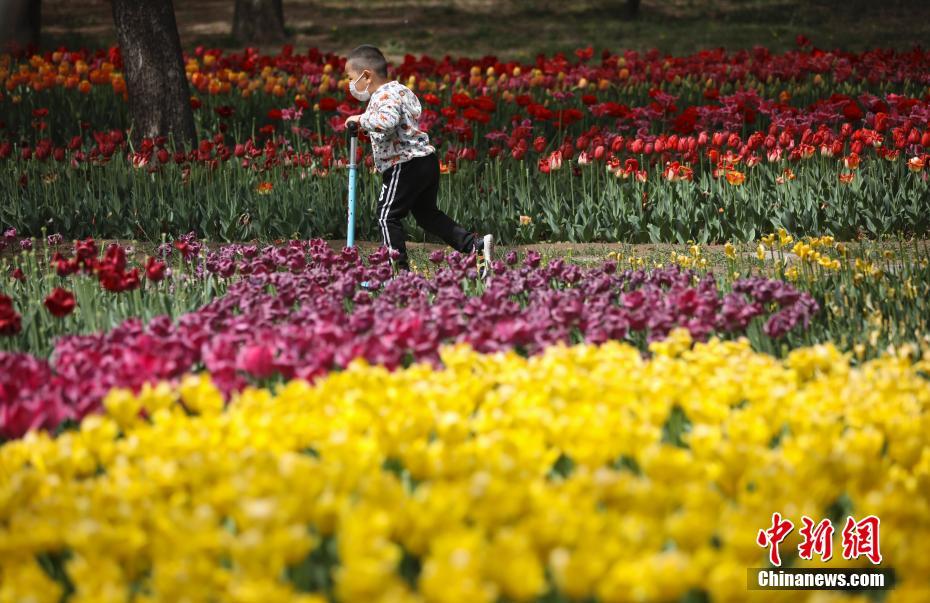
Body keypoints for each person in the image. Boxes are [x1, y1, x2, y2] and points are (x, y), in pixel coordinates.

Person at [343, 45, 493, 275]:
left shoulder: (383, 95)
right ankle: (474, 245)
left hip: (404, 164)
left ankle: (397, 272)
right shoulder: (400, 90)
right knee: (426, 215)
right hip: (425, 161)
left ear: (366, 75)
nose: (349, 84)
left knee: (387, 216)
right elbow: (396, 122)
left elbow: (387, 120)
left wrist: (360, 120)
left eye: (350, 78)